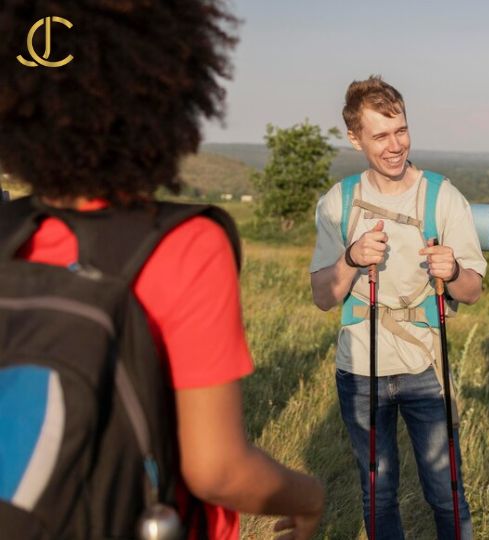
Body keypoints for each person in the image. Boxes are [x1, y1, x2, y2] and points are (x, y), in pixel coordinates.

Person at [0, 2, 324, 539]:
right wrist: (308, 496)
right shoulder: (186, 244)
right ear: (164, 91)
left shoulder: (9, 230)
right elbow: (217, 469)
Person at [310, 76, 486, 539]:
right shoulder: (338, 202)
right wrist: (351, 258)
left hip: (425, 365)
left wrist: (452, 273)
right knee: (378, 494)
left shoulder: (441, 195)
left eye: (401, 131)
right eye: (381, 135)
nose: (396, 146)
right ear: (355, 138)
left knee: (446, 492)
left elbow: (471, 291)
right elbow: (323, 297)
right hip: (359, 368)